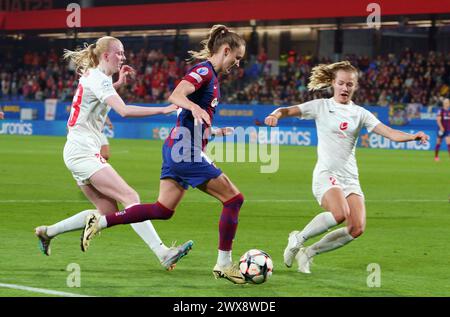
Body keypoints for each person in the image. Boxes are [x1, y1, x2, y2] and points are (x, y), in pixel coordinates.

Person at [80, 25, 248, 284]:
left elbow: (188, 116)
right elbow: (176, 96)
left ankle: (101, 223)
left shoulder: (211, 77)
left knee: (162, 209)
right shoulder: (203, 71)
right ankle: (224, 264)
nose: (237, 64)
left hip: (179, 148)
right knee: (234, 200)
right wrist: (193, 107)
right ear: (226, 50)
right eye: (236, 58)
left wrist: (212, 130)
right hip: (185, 151)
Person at [34, 36, 193, 271]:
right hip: (83, 151)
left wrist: (119, 82)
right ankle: (163, 252)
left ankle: (47, 232)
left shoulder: (98, 77)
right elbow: (124, 110)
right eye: (119, 53)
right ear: (106, 55)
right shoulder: (99, 78)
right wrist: (164, 108)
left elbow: (102, 95)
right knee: (131, 198)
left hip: (77, 150)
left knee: (107, 213)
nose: (123, 57)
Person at [264, 61, 429, 274]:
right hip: (326, 173)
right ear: (333, 83)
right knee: (340, 213)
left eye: (349, 84)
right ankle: (298, 238)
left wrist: (413, 136)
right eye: (341, 83)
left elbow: (389, 133)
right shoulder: (321, 106)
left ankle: (309, 253)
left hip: (350, 178)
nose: (345, 88)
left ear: (355, 86)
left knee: (357, 227)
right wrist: (275, 115)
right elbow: (287, 110)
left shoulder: (360, 113)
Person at [434, 97, 450, 161]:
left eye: (448, 103)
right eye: (446, 103)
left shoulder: (449, 111)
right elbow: (438, 120)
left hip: (447, 130)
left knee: (449, 143)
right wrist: (441, 128)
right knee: (438, 143)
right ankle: (436, 157)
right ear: (443, 104)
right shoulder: (441, 111)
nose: (447, 104)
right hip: (441, 130)